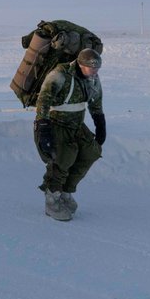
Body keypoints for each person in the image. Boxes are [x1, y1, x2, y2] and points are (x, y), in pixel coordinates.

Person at [33, 48, 106, 221]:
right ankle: (52, 198)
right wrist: (43, 127)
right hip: (56, 123)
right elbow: (43, 99)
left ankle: (66, 192)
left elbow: (96, 100)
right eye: (92, 68)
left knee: (91, 152)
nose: (95, 72)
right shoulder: (60, 75)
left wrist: (100, 122)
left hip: (77, 124)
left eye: (97, 68)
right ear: (81, 65)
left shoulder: (93, 78)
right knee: (63, 159)